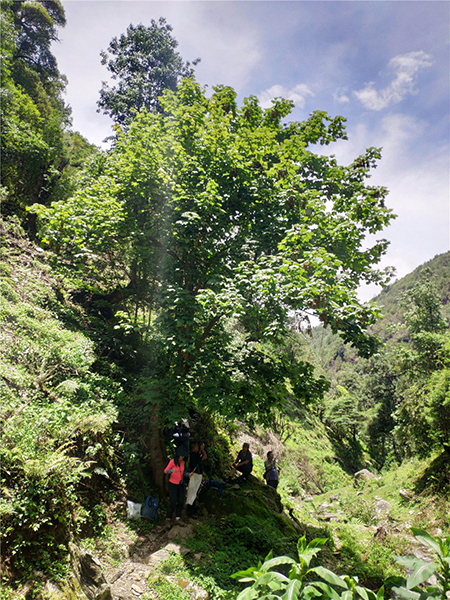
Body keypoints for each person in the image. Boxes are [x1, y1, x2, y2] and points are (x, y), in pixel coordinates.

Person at [186, 442, 207, 517]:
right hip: (195, 475)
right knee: (193, 492)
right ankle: (190, 511)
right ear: (194, 448)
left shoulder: (192, 455)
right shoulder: (194, 455)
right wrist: (202, 449)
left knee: (192, 492)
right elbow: (204, 457)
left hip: (194, 475)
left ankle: (191, 510)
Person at [164, 453, 186, 520]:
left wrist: (188, 474)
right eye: (181, 456)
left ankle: (178, 516)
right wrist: (171, 471)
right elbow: (165, 471)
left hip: (181, 484)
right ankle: (168, 517)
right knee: (173, 501)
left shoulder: (183, 462)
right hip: (173, 484)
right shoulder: (172, 461)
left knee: (181, 500)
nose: (182, 457)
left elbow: (183, 472)